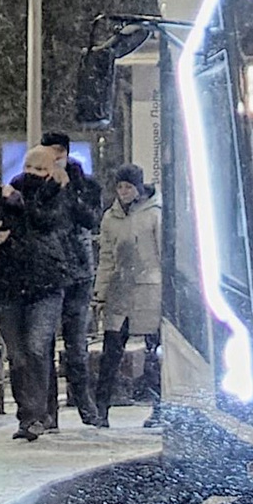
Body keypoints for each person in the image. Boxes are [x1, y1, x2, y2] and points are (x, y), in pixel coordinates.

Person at [0, 147, 74, 439]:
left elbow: (48, 221)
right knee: (18, 354)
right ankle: (27, 415)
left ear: (50, 171)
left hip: (45, 285)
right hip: (8, 284)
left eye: (39, 170)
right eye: (29, 168)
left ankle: (37, 415)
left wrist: (22, 203)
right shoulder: (1, 196)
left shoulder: (58, 195)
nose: (33, 175)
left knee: (37, 348)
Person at [43, 130, 110, 428]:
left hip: (78, 273)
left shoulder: (85, 184)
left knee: (76, 344)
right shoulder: (36, 183)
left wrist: (67, 189)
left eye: (58, 151)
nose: (54, 157)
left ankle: (85, 405)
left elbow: (90, 218)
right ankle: (48, 412)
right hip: (45, 274)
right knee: (42, 343)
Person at [93, 162, 163, 420]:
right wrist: (100, 291)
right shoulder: (111, 218)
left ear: (138, 187)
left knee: (153, 352)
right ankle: (101, 408)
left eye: (128, 187)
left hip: (150, 290)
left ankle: (158, 406)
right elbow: (107, 257)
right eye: (119, 187)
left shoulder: (155, 213)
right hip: (120, 289)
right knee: (111, 351)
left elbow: (162, 252)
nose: (123, 192)